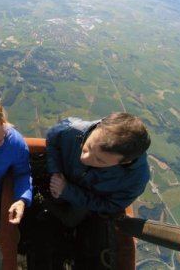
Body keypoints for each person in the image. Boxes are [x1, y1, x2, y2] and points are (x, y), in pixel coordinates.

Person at [45, 112, 151, 269]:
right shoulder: (71, 130)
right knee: (49, 202)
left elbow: (110, 205)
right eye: (87, 147)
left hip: (86, 199)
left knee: (70, 220)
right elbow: (52, 141)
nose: (85, 158)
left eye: (99, 160)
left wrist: (68, 191)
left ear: (125, 162)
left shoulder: (135, 180)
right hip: (61, 179)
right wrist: (56, 172)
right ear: (97, 128)